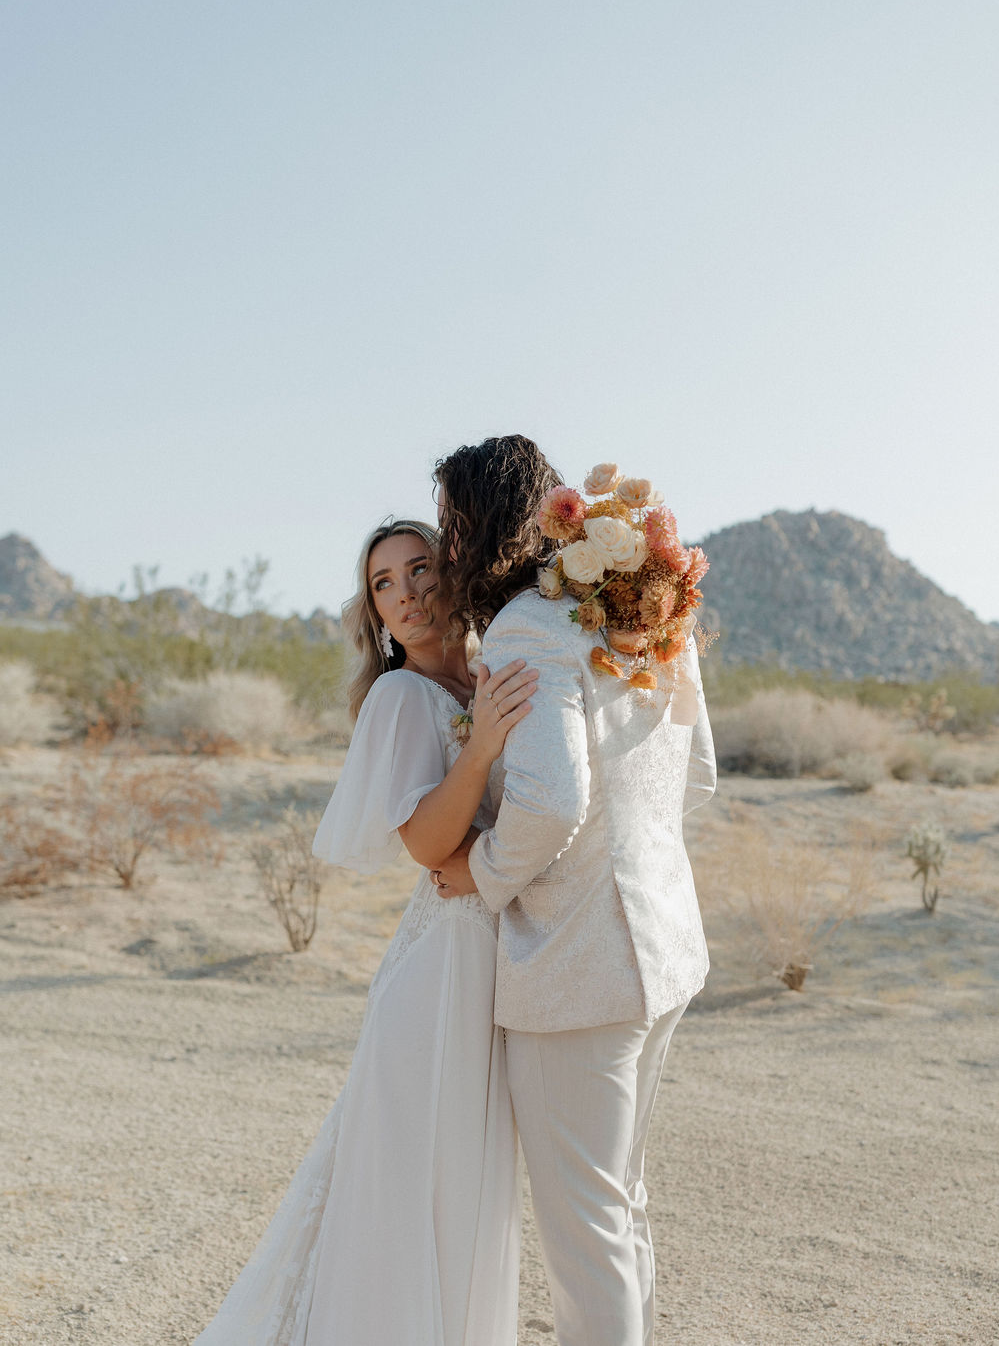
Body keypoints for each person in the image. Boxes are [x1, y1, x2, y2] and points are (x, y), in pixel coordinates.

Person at [193, 518, 537, 1346]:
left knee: (472, 1192)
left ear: (452, 577)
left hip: (501, 956)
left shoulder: (492, 671)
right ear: (375, 611)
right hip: (440, 972)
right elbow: (425, 844)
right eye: (384, 582)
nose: (407, 593)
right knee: (412, 1190)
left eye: (420, 569)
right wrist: (484, 743)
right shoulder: (398, 698)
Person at [432, 437, 717, 1346]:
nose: (445, 546)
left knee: (586, 1230)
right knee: (619, 1205)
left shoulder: (524, 625)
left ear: (480, 524)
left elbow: (554, 799)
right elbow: (698, 772)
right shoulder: (635, 614)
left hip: (578, 964)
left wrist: (478, 873)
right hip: (663, 943)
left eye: (451, 524)